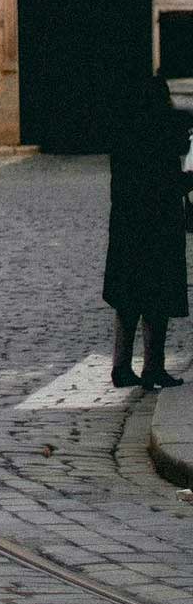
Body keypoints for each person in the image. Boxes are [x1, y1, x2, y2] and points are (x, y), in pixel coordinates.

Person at [103, 75, 189, 390]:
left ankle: (121, 365)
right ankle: (154, 366)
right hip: (158, 229)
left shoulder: (124, 134)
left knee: (127, 301)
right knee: (157, 301)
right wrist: (188, 180)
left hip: (127, 228)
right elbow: (165, 185)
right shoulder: (160, 134)